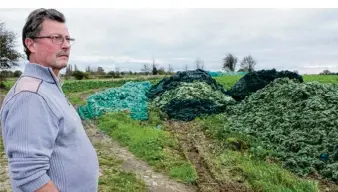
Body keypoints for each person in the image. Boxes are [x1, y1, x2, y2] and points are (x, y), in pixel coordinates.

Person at [0, 8, 99, 192]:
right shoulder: (30, 96)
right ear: (31, 44)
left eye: (67, 39)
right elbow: (30, 176)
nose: (66, 45)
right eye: (56, 38)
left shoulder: (48, 87)